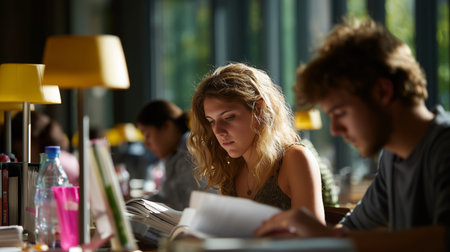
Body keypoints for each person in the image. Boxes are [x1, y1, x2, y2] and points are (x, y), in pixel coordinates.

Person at [254, 18, 450, 251]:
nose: (335, 130)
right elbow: (353, 228)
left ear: (382, 91)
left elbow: (444, 239)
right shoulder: (392, 156)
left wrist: (325, 238)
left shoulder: (444, 145)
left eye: (341, 113)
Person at [188, 62, 325, 222]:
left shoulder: (296, 159)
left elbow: (314, 238)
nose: (218, 131)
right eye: (211, 121)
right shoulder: (231, 169)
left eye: (228, 117)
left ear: (259, 109)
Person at [136, 100, 208, 211]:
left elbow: (198, 206)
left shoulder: (192, 152)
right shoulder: (173, 155)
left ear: (167, 127)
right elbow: (169, 199)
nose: (146, 144)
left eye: (147, 135)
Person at [8, 111, 79, 186]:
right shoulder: (63, 159)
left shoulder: (52, 168)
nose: (21, 156)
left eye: (19, 150)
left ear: (31, 142)